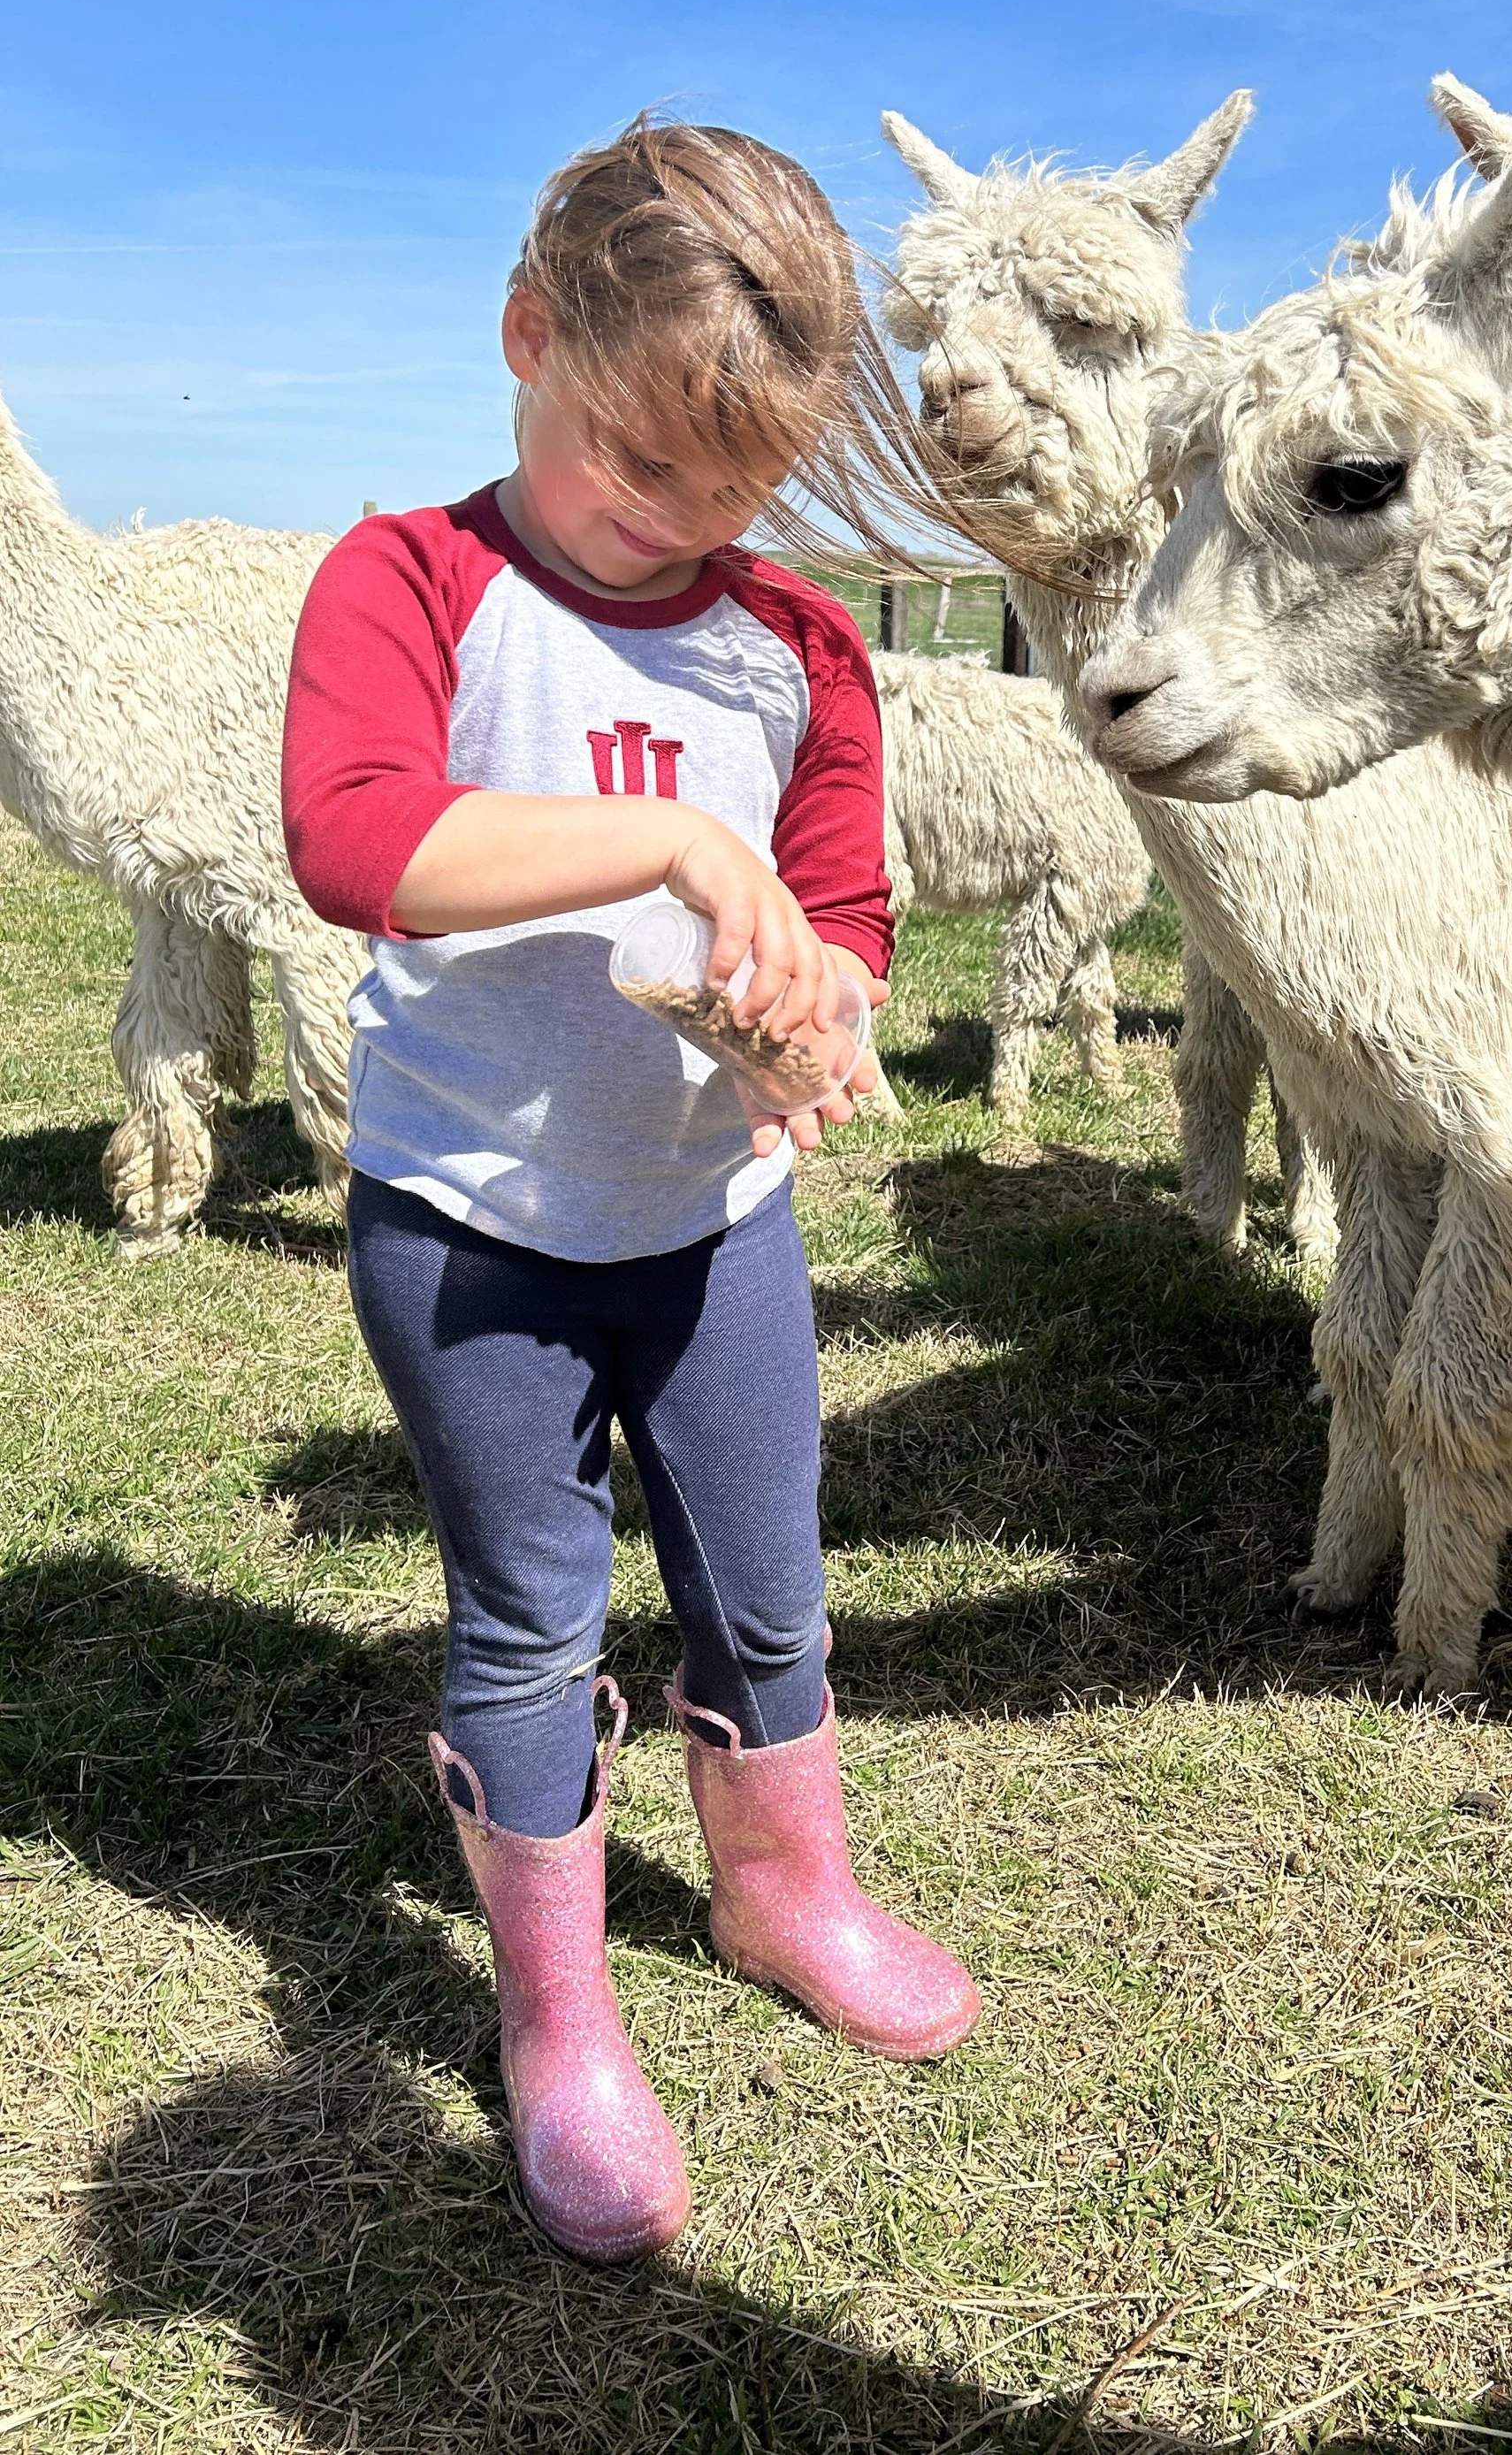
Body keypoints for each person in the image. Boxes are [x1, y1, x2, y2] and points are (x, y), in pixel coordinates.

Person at [282, 118, 978, 2266]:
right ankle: (558, 2015)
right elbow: (362, 843)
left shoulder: (798, 648)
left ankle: (785, 1893)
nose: (676, 521)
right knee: (528, 1611)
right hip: (472, 1219)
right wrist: (677, 851)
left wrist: (806, 1018)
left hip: (707, 1230)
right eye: (630, 462)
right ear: (528, 335)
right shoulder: (408, 581)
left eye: (733, 485)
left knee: (768, 1589)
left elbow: (842, 921)